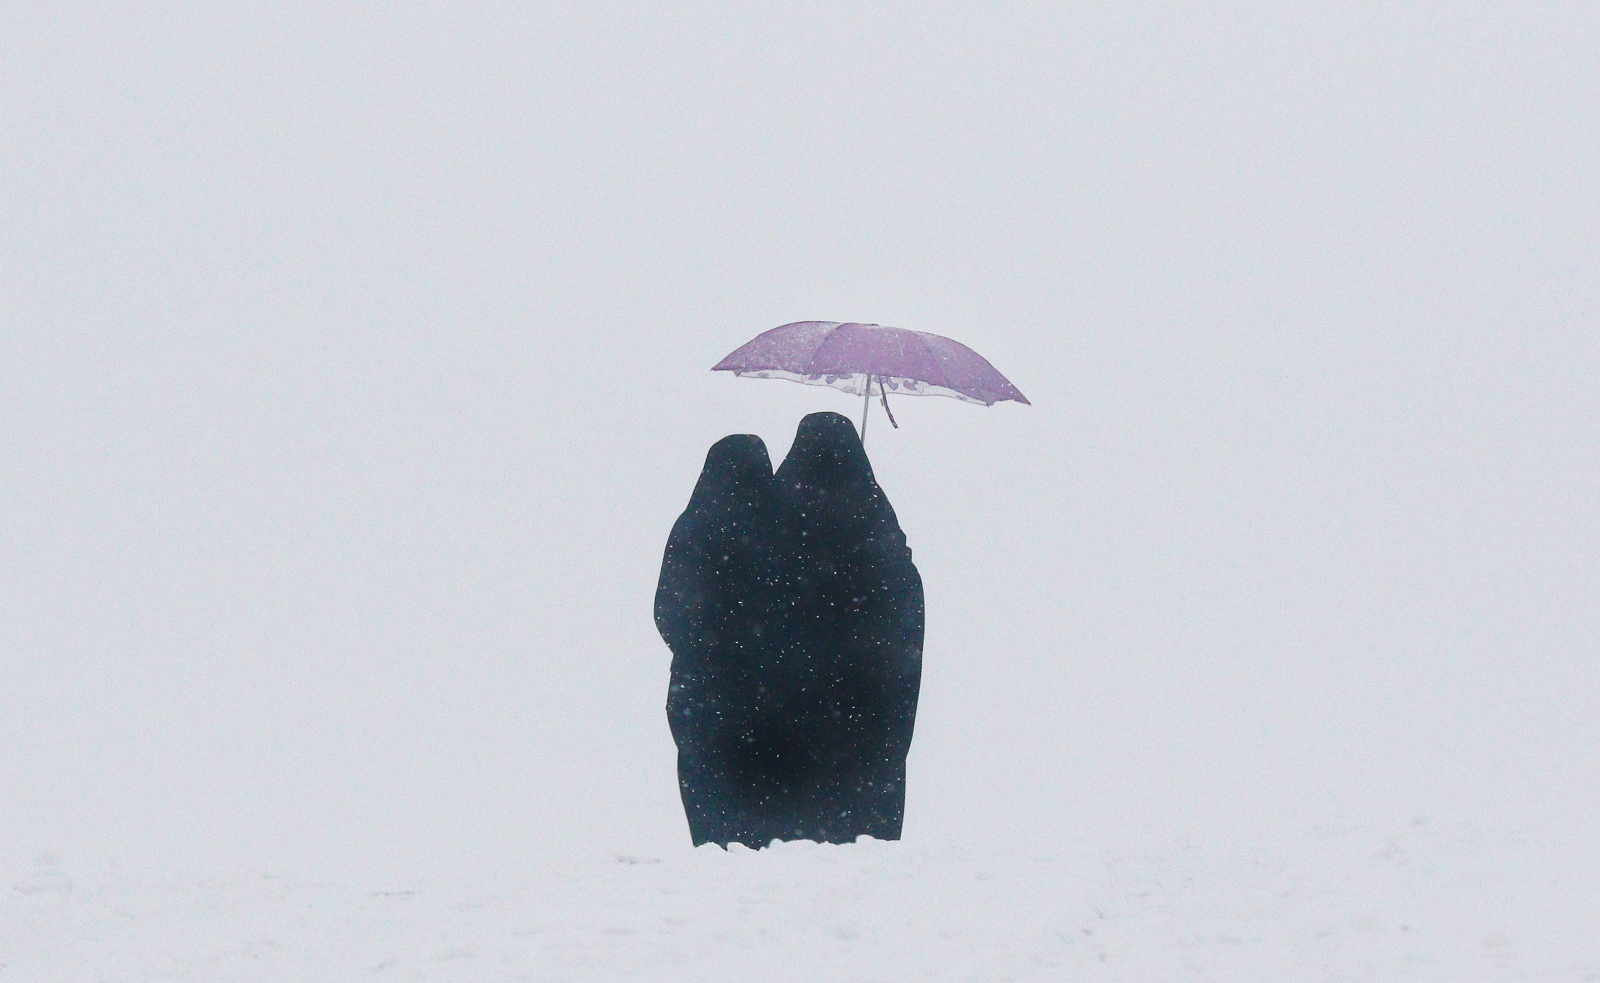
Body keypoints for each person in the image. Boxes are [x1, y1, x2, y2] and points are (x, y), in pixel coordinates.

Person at [656, 414, 923, 847]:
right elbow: (901, 617)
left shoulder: (729, 531)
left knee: (734, 821)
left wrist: (716, 652)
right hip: (858, 715)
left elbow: (671, 613)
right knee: (850, 823)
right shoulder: (874, 531)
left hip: (725, 713)